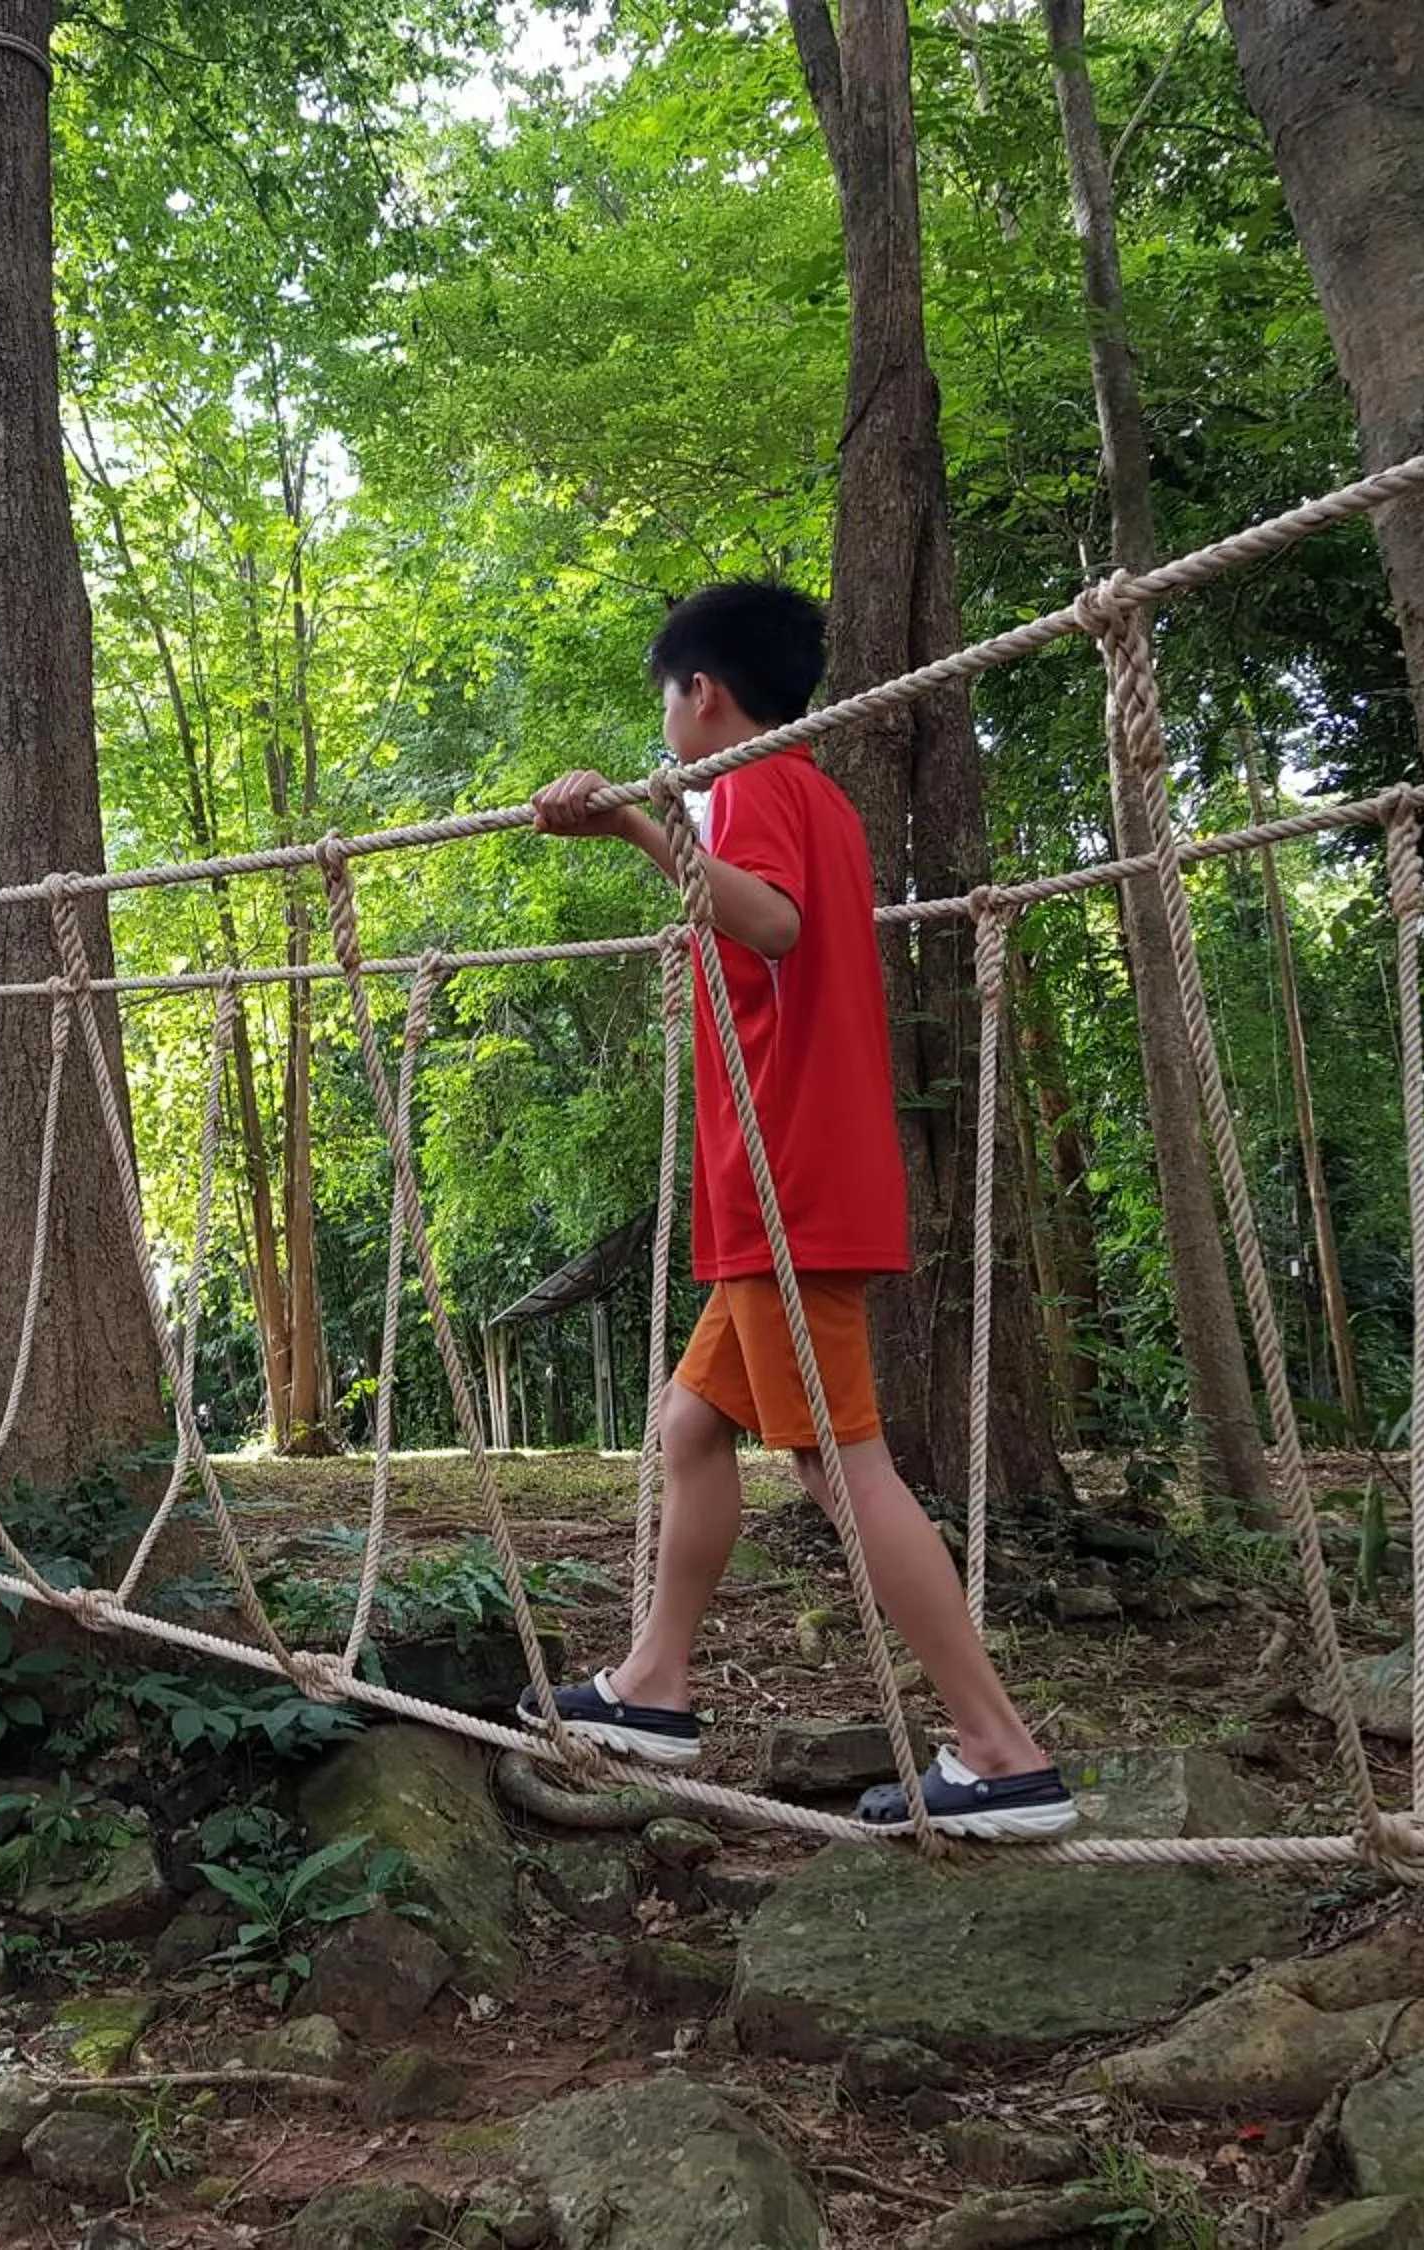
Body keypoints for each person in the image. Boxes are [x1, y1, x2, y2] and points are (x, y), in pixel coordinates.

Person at [523, 581, 1075, 1842]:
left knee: (837, 1461)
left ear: (702, 692)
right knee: (691, 1424)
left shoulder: (758, 781)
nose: (665, 729)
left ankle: (1002, 1750)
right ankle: (654, 1686)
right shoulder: (818, 795)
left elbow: (769, 922)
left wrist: (639, 830)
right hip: (791, 1180)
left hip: (790, 1186)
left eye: (666, 703)